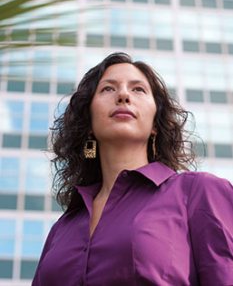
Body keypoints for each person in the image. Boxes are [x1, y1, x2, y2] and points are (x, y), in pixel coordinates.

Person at [32, 52, 233, 286]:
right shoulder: (62, 228)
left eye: (138, 89)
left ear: (155, 126)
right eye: (108, 89)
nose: (124, 95)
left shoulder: (199, 193)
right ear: (89, 124)